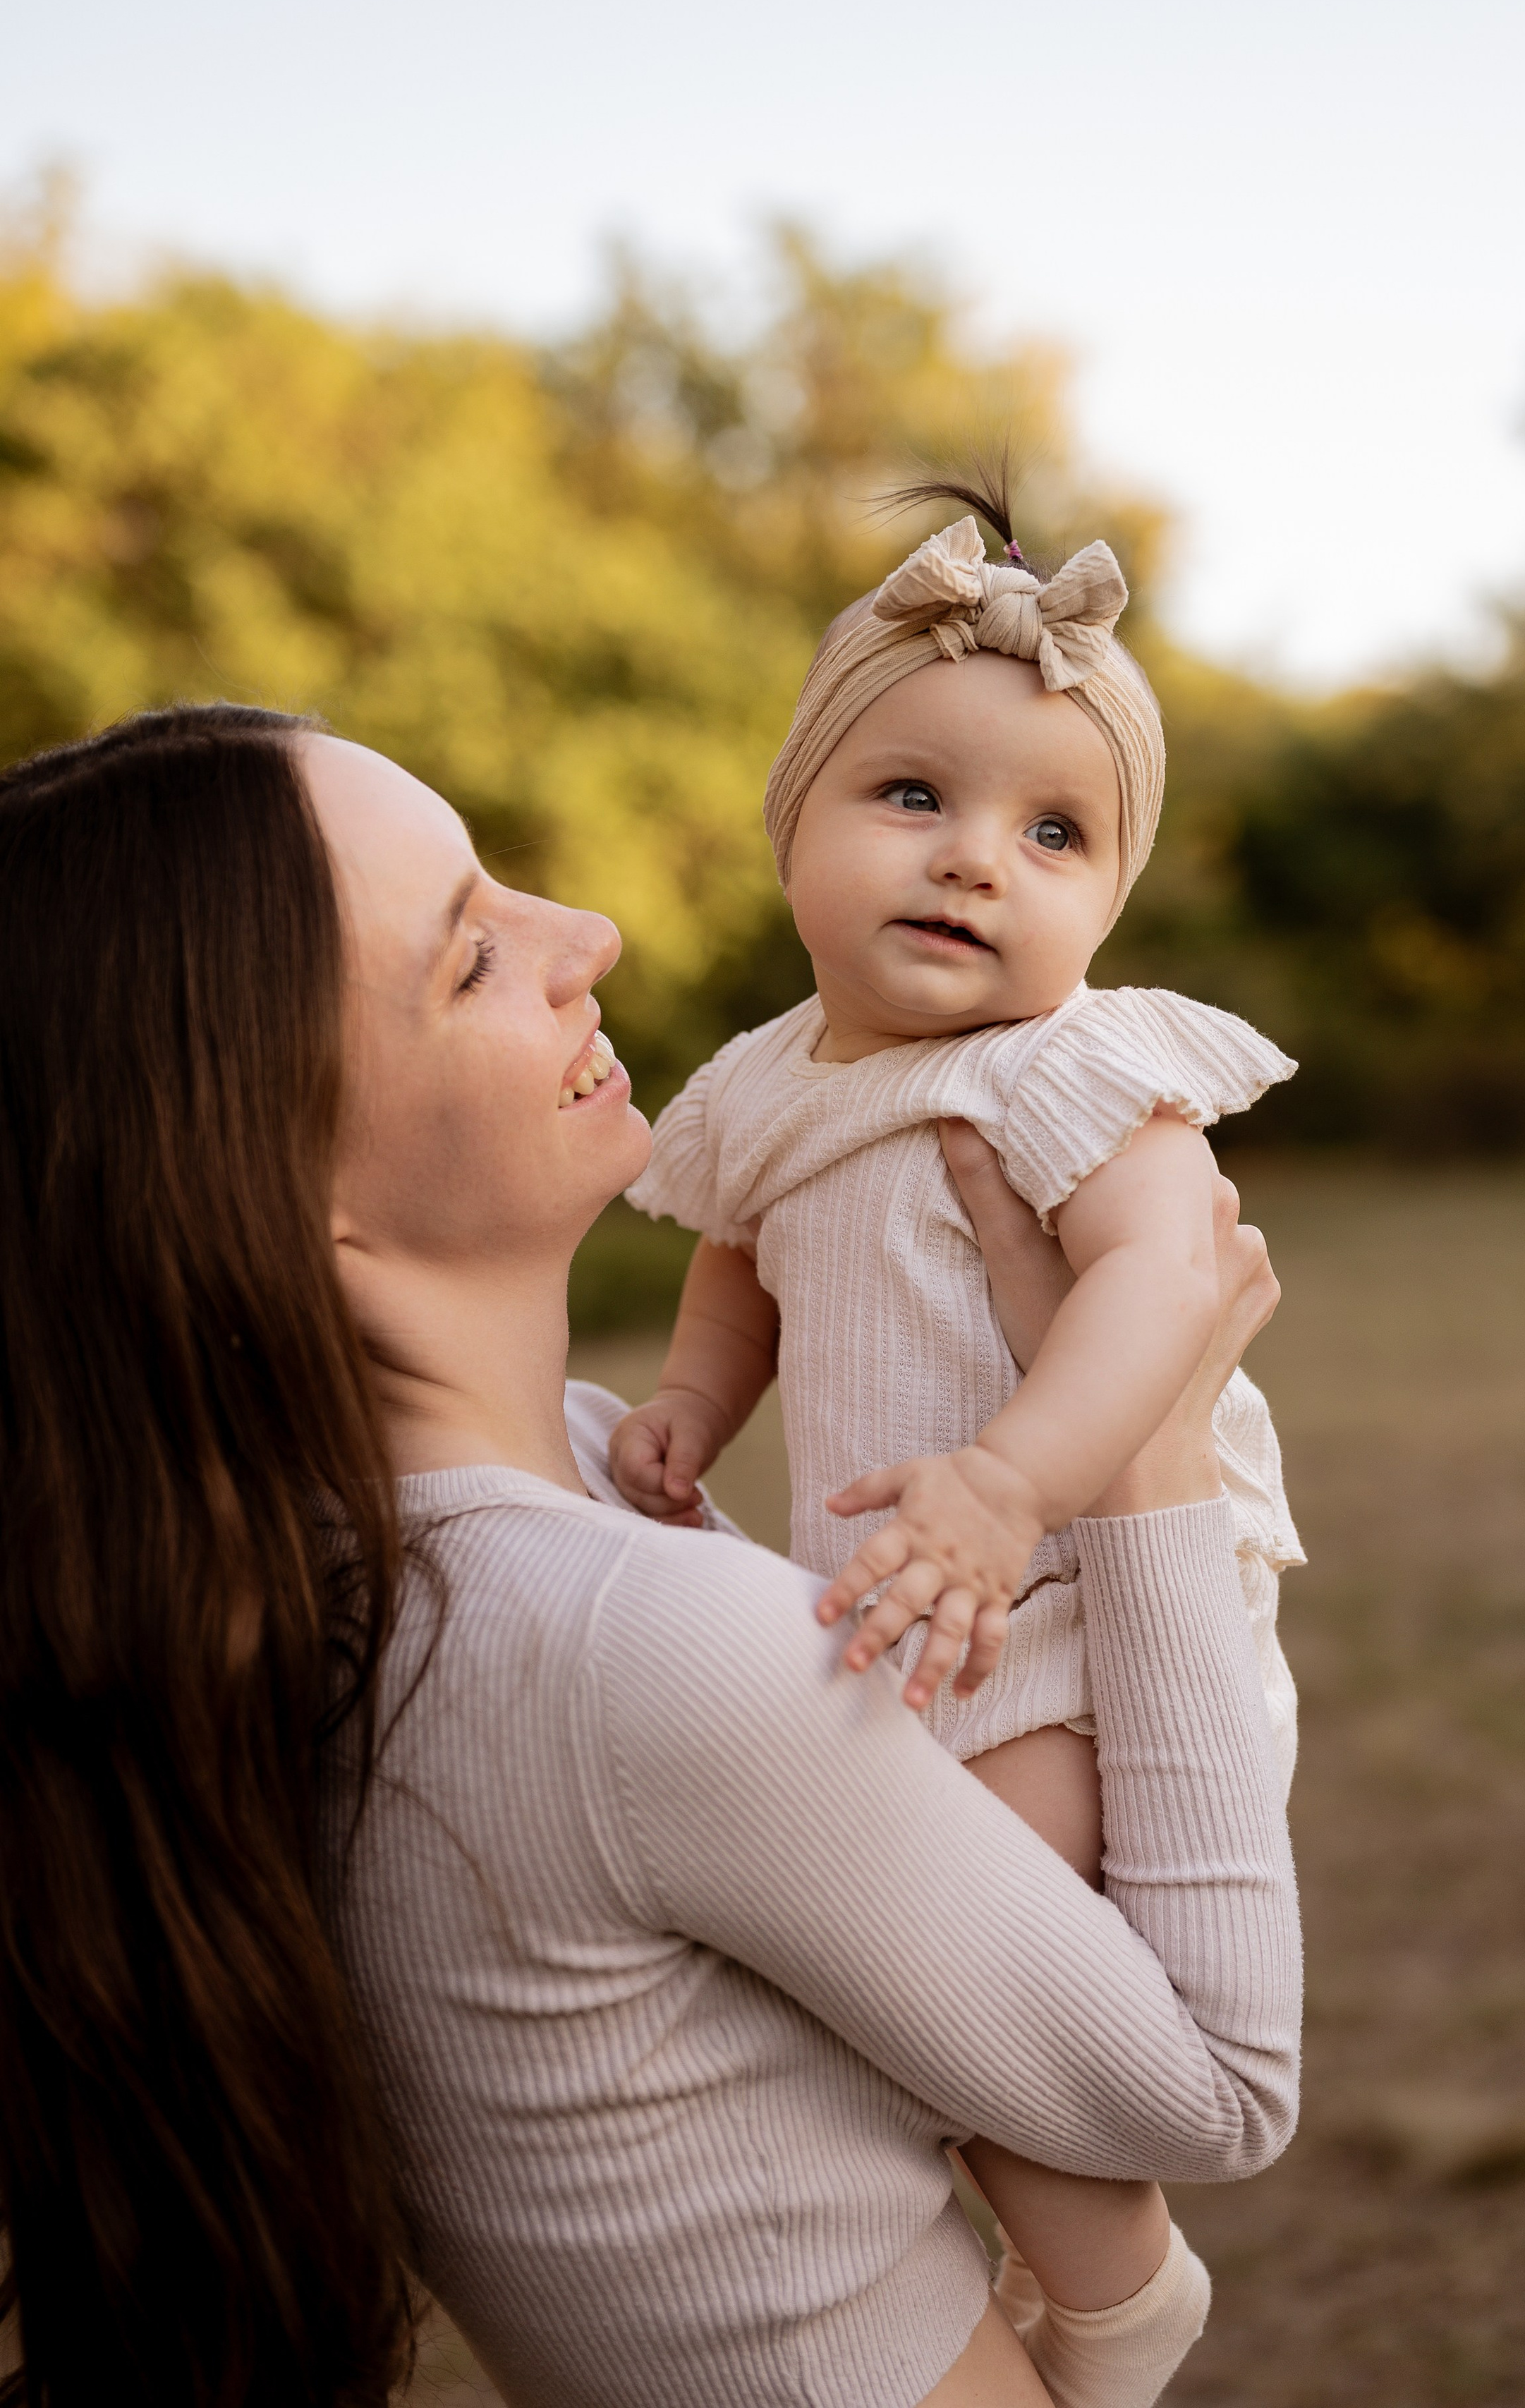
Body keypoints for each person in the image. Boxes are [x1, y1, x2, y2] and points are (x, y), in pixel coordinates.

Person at [0, 703, 1299, 2408]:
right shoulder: (617, 1639)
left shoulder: (374, 1553)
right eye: (468, 954)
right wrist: (1143, 1458)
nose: (582, 935)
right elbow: (1213, 2087)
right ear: (272, 1175)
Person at [609, 487, 1304, 2402]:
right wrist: (686, 1406)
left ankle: (1116, 2289)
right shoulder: (762, 1082)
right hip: (920, 1603)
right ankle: (1056, 2263)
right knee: (919, 1970)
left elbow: (1166, 1290)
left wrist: (1011, 1484)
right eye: (912, 796)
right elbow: (739, 1272)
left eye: (1054, 832)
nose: (977, 861)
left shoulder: (1073, 1064)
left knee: (964, 1971)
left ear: (1108, 896)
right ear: (794, 825)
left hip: (1085, 1603)